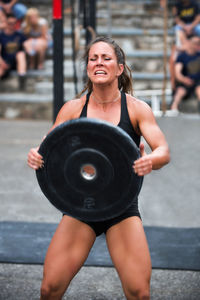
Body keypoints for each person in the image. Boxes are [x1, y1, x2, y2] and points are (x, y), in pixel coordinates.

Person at [27, 36, 170, 300]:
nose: (99, 63)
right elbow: (46, 148)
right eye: (93, 59)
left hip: (121, 209)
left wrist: (151, 159)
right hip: (81, 208)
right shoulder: (72, 109)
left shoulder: (137, 109)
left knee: (139, 293)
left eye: (106, 58)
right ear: (88, 68)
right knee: (49, 289)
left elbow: (163, 151)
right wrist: (36, 156)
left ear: (119, 68)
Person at [171, 35, 200, 113]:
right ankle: (174, 107)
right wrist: (184, 80)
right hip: (185, 81)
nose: (197, 45)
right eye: (195, 43)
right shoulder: (182, 56)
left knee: (199, 89)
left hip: (198, 82)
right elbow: (177, 73)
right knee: (181, 90)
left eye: (198, 43)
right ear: (190, 43)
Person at [0, 13, 26, 88]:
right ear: (6, 23)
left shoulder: (20, 35)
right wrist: (2, 62)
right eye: (10, 23)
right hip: (4, 62)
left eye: (14, 23)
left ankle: (22, 78)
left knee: (20, 54)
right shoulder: (1, 36)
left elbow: (27, 45)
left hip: (17, 62)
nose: (12, 25)